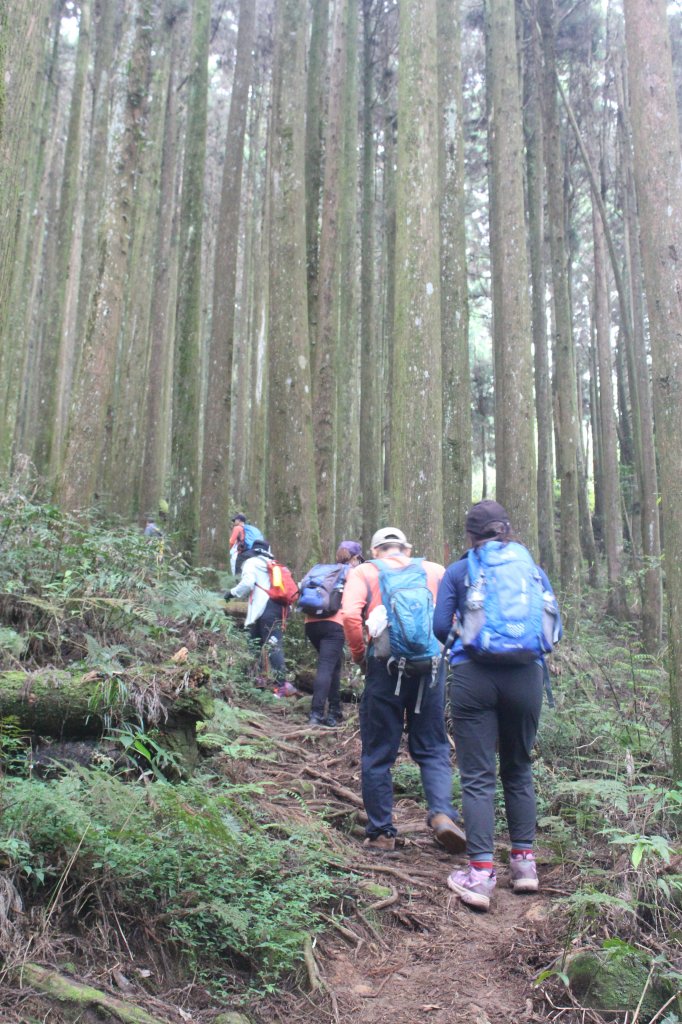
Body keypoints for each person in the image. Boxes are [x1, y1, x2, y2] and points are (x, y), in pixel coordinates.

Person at [433, 500, 562, 911]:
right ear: (506, 530)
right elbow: (553, 624)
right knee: (519, 767)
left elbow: (439, 628)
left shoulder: (458, 570)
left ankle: (481, 873)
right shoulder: (530, 568)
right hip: (526, 676)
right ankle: (524, 866)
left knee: (477, 776)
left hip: (474, 677)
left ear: (470, 535)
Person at [341, 526, 466, 853]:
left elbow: (351, 618)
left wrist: (360, 658)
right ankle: (441, 814)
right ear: (406, 549)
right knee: (434, 747)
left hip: (384, 668)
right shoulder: (435, 570)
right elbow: (452, 616)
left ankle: (382, 833)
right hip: (431, 669)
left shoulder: (364, 572)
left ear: (375, 549)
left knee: (379, 752)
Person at [300, 541, 363, 728]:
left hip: (311, 624)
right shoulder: (352, 573)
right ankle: (316, 714)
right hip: (333, 625)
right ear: (355, 558)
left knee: (334, 665)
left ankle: (335, 711)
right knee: (326, 667)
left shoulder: (322, 570)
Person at [225, 539, 292, 696]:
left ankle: (279, 685)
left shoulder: (251, 562)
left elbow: (248, 583)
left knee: (261, 645)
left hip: (262, 609)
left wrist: (232, 593)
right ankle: (258, 681)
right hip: (274, 609)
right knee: (259, 643)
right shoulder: (273, 564)